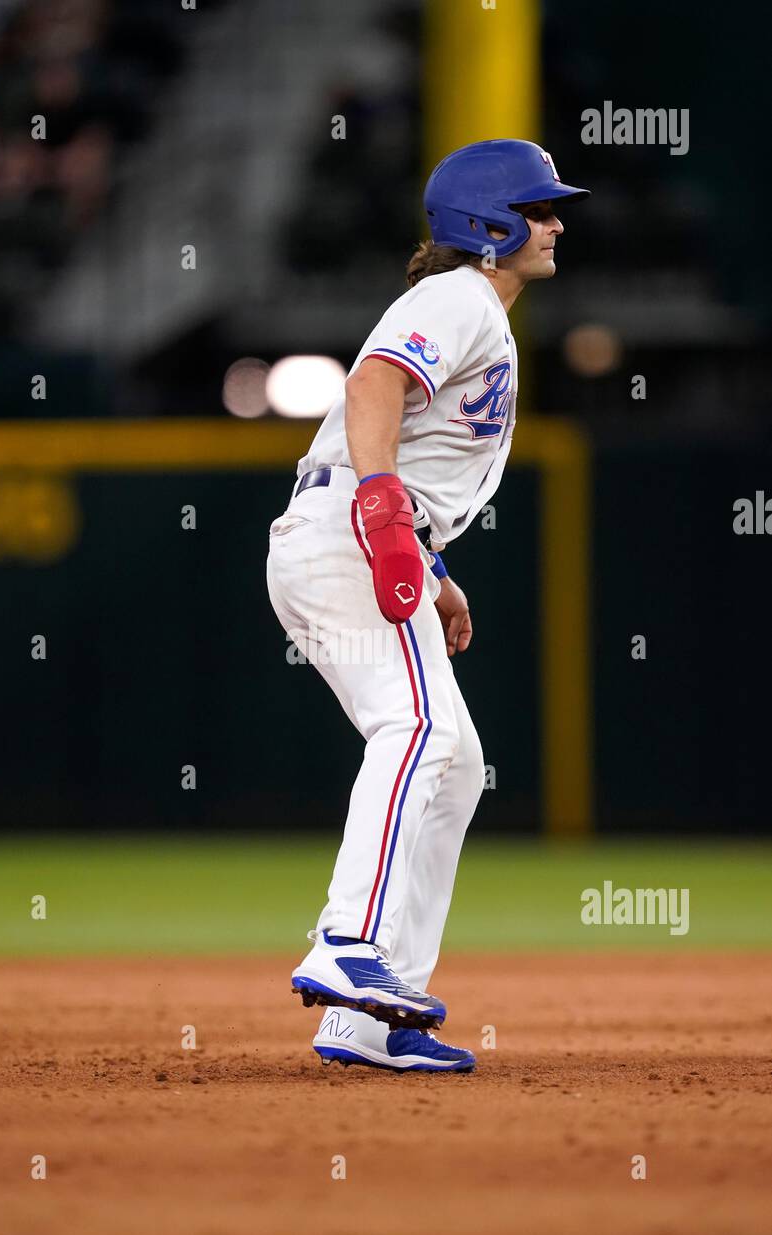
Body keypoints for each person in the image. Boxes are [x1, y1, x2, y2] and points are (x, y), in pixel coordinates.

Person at [267, 139, 589, 1072]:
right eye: (539, 209)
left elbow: (411, 445)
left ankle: (366, 1023)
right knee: (419, 734)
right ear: (488, 226)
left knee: (455, 762)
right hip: (345, 530)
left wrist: (431, 565)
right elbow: (373, 382)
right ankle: (347, 942)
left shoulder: (478, 308)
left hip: (354, 530)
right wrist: (380, 511)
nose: (556, 222)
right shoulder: (457, 297)